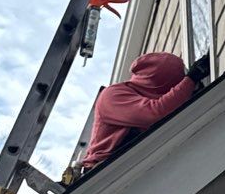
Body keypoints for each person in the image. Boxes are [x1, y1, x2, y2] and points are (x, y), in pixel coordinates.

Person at [78, 50, 210, 174]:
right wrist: (191, 79)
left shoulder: (153, 99)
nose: (174, 90)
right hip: (100, 173)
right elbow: (155, 113)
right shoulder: (112, 95)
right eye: (173, 84)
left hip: (133, 166)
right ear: (159, 82)